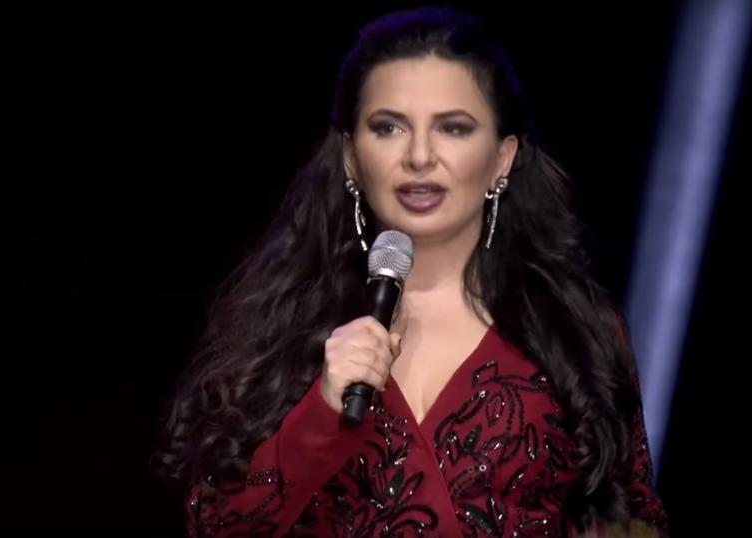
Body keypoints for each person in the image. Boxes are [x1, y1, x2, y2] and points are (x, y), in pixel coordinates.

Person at [156, 6, 668, 537]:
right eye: (389, 127)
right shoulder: (283, 326)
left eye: (453, 128)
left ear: (502, 158)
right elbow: (218, 524)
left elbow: (631, 520)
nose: (420, 156)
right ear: (351, 157)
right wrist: (323, 408)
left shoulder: (572, 331)